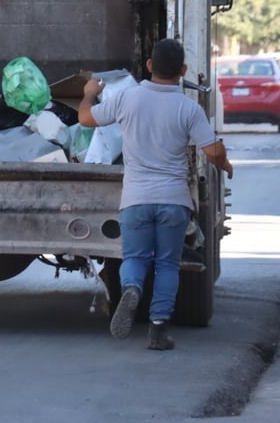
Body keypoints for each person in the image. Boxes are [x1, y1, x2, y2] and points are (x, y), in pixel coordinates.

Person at [78, 38, 234, 351]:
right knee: (166, 264)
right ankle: (158, 329)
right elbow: (213, 150)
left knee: (135, 258)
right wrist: (226, 164)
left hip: (135, 199)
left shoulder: (127, 99)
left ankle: (132, 289)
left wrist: (87, 94)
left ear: (149, 66)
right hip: (174, 201)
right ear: (183, 70)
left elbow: (85, 118)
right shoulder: (188, 108)